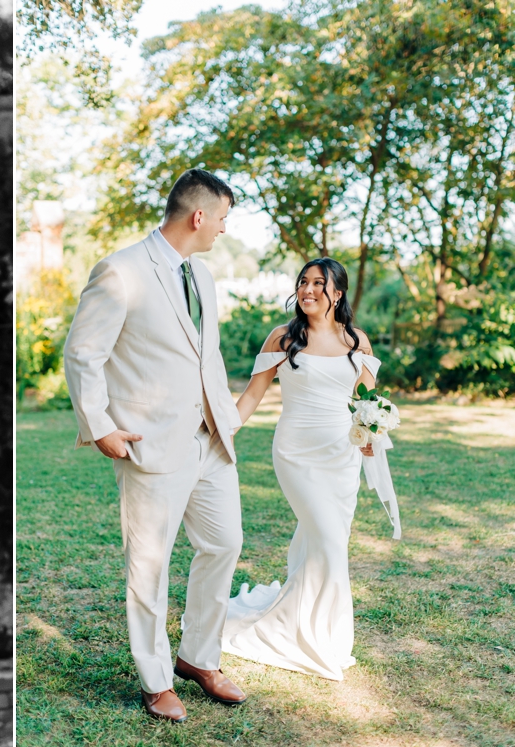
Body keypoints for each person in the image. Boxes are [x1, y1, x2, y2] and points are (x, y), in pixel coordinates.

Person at [64, 169, 247, 724]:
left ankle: (198, 657)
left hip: (209, 440)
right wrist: (101, 426)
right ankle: (156, 679)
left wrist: (225, 415)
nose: (222, 229)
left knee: (225, 544)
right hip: (150, 445)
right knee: (149, 566)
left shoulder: (204, 276)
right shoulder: (121, 271)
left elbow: (203, 355)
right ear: (198, 217)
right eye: (221, 219)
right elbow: (83, 353)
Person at [222, 257, 390, 680]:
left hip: (341, 456)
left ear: (337, 293)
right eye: (303, 282)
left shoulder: (357, 340)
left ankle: (305, 622)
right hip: (296, 452)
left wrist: (369, 435)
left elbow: (364, 403)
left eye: (319, 283)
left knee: (326, 542)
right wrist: (219, 431)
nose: (308, 289)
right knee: (330, 541)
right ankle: (323, 641)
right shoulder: (283, 338)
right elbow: (250, 397)